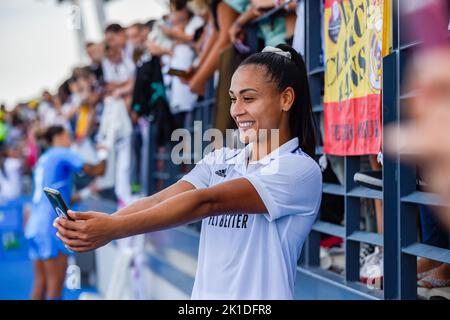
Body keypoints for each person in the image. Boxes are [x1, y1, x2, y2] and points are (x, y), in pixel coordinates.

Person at [54, 45, 322, 299]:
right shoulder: (222, 157)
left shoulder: (298, 169)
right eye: (233, 99)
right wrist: (103, 223)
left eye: (249, 98)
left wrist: (112, 229)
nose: (237, 110)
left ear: (286, 99)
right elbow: (161, 199)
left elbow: (207, 202)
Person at [25, 125, 107, 300]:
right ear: (59, 136)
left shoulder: (44, 158)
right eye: (68, 136)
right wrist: (104, 152)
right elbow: (97, 170)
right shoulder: (62, 153)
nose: (70, 140)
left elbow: (57, 194)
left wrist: (85, 193)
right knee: (55, 289)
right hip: (51, 226)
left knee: (40, 284)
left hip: (34, 224)